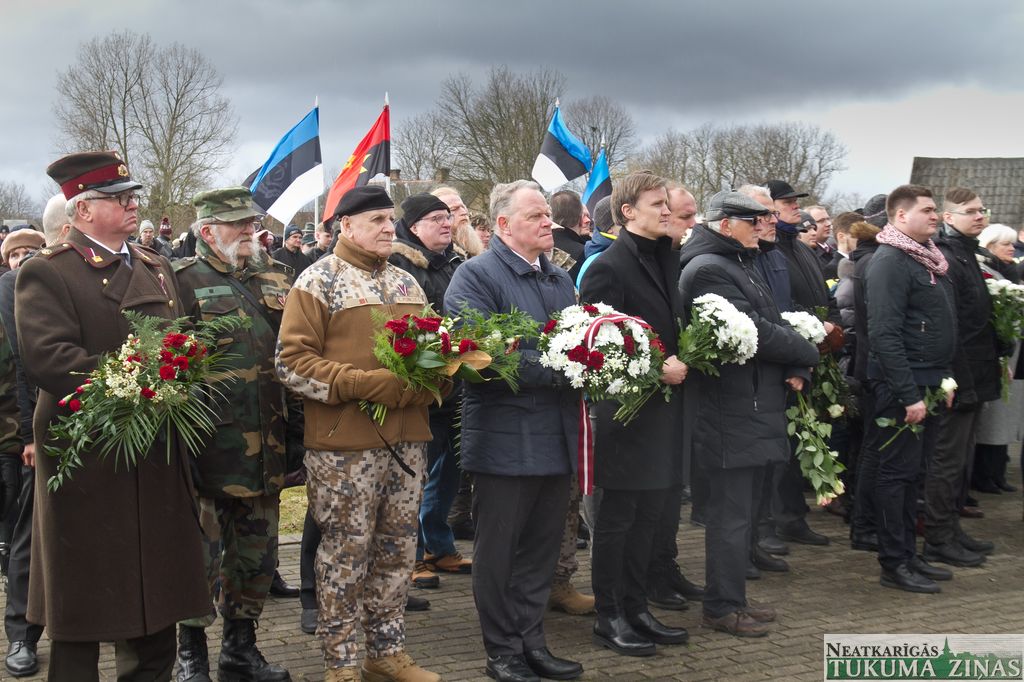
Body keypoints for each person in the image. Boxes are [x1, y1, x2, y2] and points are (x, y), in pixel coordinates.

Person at [16, 150, 209, 680]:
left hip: (156, 455)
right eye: (118, 198)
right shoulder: (48, 271)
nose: (132, 204)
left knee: (156, 604)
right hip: (90, 460)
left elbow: (183, 338)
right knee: (82, 608)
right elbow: (50, 360)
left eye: (132, 196)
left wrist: (185, 367)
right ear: (82, 210)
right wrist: (139, 381)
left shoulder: (155, 265)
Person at [276, 185, 440, 682]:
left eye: (391, 219)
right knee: (345, 554)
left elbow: (435, 349)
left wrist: (442, 374)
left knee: (397, 550)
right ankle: (342, 662)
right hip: (345, 448)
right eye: (377, 221)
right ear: (345, 226)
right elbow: (290, 363)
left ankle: (385, 652)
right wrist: (363, 384)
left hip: (408, 442)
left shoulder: (407, 283)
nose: (390, 228)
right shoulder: (317, 280)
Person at [444, 180, 583, 682]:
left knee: (541, 550)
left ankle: (532, 642)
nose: (548, 222)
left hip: (557, 435)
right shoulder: (474, 277)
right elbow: (483, 358)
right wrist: (568, 368)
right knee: (499, 553)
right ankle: (502, 651)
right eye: (536, 216)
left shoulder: (558, 279)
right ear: (503, 225)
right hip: (505, 439)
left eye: (548, 214)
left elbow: (577, 342)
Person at [678, 190, 818, 636]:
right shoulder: (708, 269)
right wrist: (807, 350)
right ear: (725, 224)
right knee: (730, 516)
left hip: (751, 405)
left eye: (764, 219)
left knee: (744, 514)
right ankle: (721, 607)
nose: (763, 226)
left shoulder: (739, 262)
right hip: (730, 409)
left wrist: (797, 362)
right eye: (753, 220)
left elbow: (772, 320)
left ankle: (733, 598)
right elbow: (755, 331)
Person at [172, 187, 298, 682]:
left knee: (255, 556)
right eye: (237, 223)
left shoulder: (277, 277)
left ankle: (240, 652)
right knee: (197, 558)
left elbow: (293, 357)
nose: (250, 230)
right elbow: (169, 366)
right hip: (208, 446)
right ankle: (191, 657)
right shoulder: (181, 281)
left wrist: (298, 436)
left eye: (252, 222)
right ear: (207, 231)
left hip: (267, 444)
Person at [580, 171, 690, 656]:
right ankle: (609, 616)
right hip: (625, 416)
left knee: (650, 516)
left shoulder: (666, 256)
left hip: (663, 413)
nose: (667, 211)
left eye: (667, 203)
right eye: (657, 204)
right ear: (628, 212)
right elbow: (593, 344)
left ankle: (637, 607)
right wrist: (653, 367)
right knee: (617, 520)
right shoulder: (609, 266)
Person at [864, 184, 958, 593]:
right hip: (902, 387)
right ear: (901, 216)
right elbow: (884, 335)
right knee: (895, 476)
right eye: (928, 210)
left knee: (913, 475)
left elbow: (938, 326)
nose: (935, 216)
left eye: (936, 210)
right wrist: (908, 394)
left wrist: (944, 379)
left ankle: (909, 554)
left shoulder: (926, 258)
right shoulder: (890, 261)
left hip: (928, 381)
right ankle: (894, 563)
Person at [388, 193, 472, 592]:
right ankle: (413, 554)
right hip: (423, 386)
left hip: (458, 384)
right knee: (416, 474)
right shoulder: (400, 264)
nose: (446, 224)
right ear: (414, 226)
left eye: (448, 217)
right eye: (436, 218)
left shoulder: (456, 262)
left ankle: (439, 544)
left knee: (451, 470)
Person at [1, 193, 69, 678]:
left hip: (87, 425)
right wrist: (28, 436)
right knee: (30, 532)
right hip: (37, 429)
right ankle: (22, 634)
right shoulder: (16, 283)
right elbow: (24, 367)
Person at [922, 188, 1001, 565]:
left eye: (982, 210)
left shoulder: (968, 253)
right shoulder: (948, 257)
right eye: (971, 211)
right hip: (959, 375)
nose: (980, 216)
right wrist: (957, 379)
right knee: (947, 460)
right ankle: (938, 537)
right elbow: (950, 326)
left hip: (977, 371)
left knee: (962, 459)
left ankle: (951, 529)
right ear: (949, 218)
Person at [764, 180, 833, 547]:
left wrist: (832, 325)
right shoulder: (769, 249)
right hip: (788, 358)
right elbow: (780, 307)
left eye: (795, 202)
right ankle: (777, 518)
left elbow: (823, 295)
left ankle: (793, 516)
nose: (795, 207)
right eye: (787, 202)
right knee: (782, 443)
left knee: (800, 439)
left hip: (812, 352)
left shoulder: (800, 248)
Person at [432, 186, 484, 258]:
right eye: (454, 209)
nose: (464, 212)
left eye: (463, 207)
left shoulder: (478, 250)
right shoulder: (440, 255)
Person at [550, 190, 589, 281]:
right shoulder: (582, 252)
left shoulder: (543, 246)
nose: (588, 220)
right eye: (585, 215)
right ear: (580, 216)